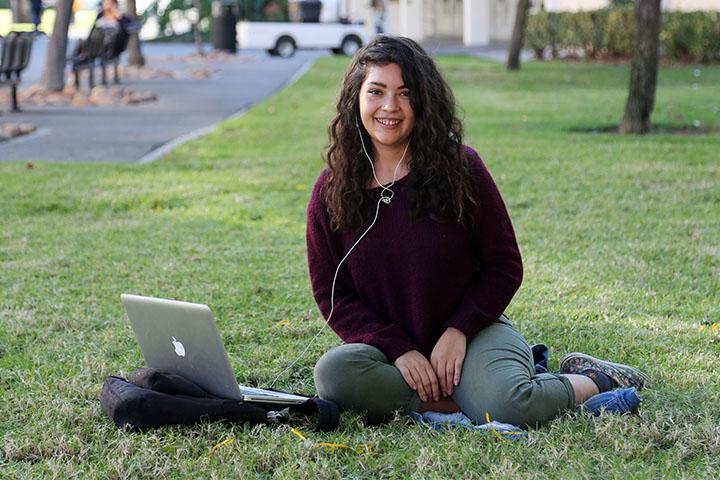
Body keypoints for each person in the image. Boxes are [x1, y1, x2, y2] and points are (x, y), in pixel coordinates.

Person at [306, 35, 648, 428]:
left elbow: (504, 264)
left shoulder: (460, 168)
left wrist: (458, 330)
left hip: (472, 334)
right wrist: (398, 349)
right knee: (334, 374)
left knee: (509, 406)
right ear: (356, 99)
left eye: (405, 93)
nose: (390, 107)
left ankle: (590, 380)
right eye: (377, 92)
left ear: (424, 100)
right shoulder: (331, 190)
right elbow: (331, 295)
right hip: (390, 352)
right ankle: (457, 400)